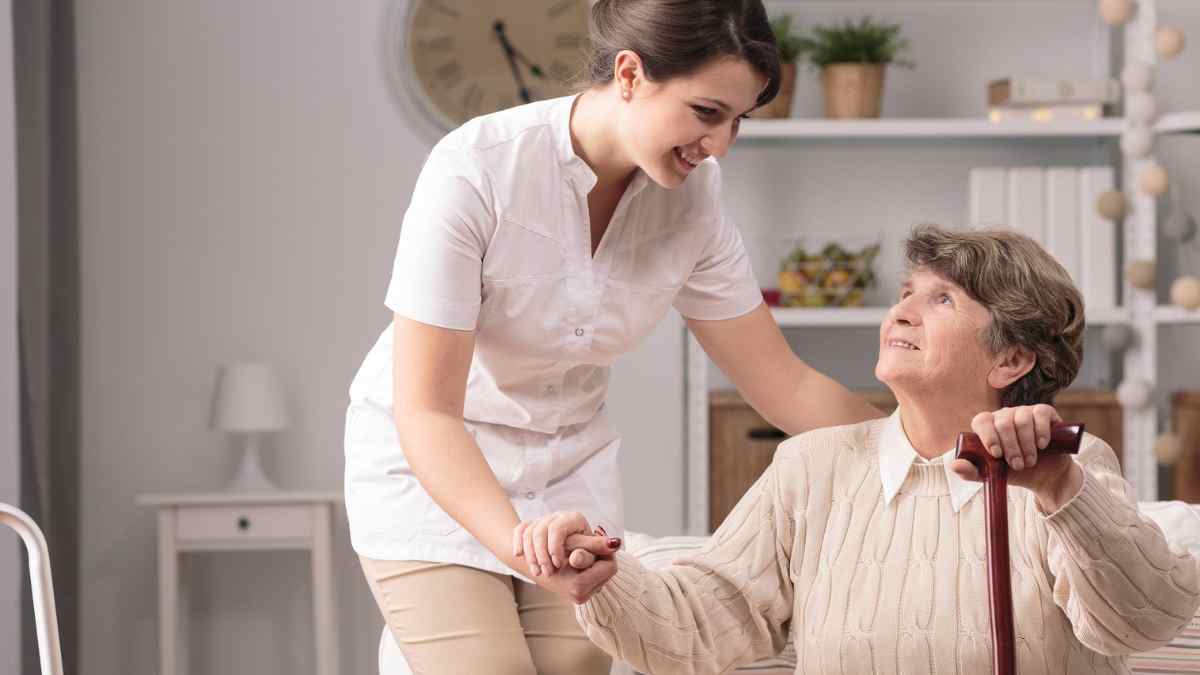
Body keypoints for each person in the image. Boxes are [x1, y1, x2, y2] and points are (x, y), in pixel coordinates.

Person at [344, 0, 1056, 671]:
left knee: (575, 661)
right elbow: (427, 410)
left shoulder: (693, 202)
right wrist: (518, 543)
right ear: (630, 74)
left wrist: (948, 447)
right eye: (706, 112)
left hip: (565, 470)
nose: (717, 145)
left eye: (739, 120)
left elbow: (784, 383)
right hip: (433, 466)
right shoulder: (478, 169)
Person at [528, 225, 1200, 675]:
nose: (901, 311)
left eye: (942, 299)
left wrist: (1057, 487)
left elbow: (1140, 621)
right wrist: (604, 578)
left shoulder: (1072, 471)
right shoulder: (812, 467)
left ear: (1012, 357)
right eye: (906, 293)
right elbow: (705, 618)